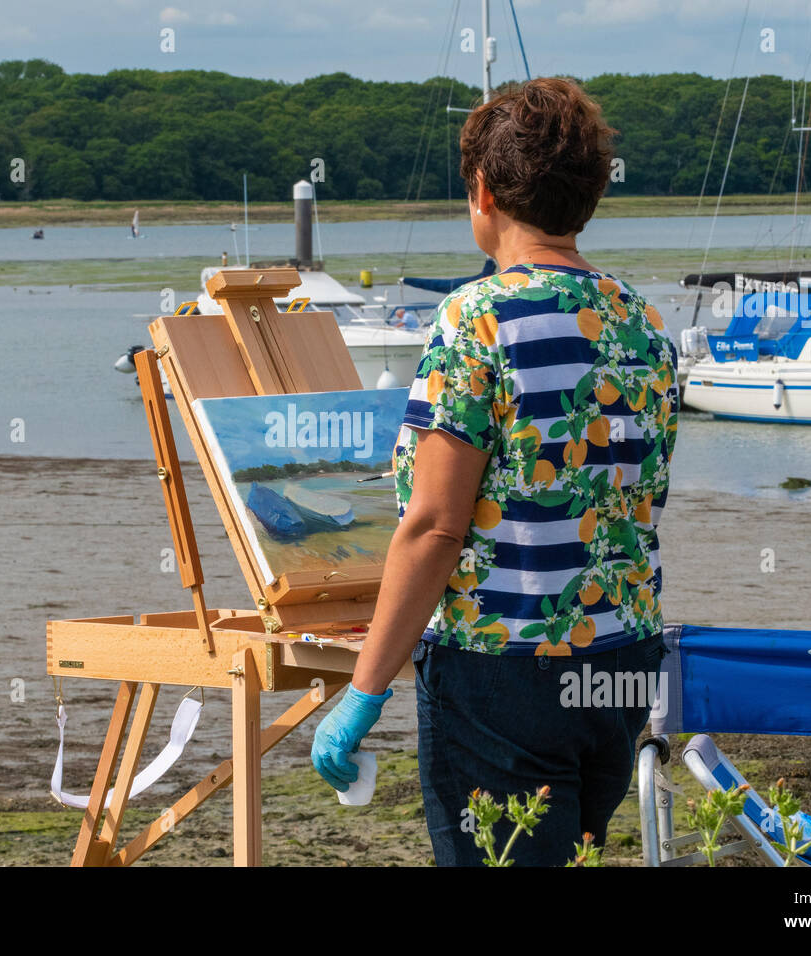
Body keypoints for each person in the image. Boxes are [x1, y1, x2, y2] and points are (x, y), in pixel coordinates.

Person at [311, 77, 679, 866]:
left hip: (506, 672)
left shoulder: (478, 319)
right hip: (621, 663)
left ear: (482, 191)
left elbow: (437, 525)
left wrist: (364, 693)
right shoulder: (644, 321)